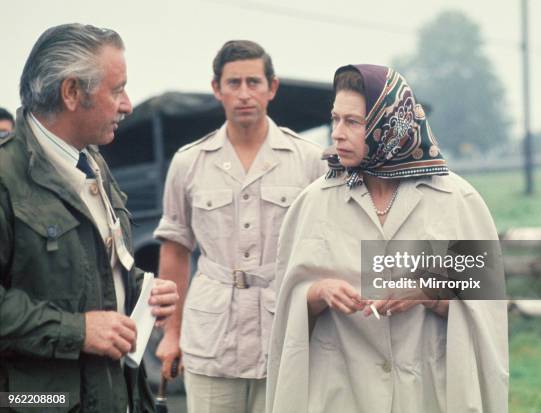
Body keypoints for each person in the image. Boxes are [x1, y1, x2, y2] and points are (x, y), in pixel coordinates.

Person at [266, 64, 509, 413]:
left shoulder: (457, 200)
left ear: (389, 124)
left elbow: (487, 309)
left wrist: (430, 292)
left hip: (428, 391)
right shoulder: (313, 203)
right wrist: (318, 293)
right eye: (335, 119)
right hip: (340, 392)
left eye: (353, 122)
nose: (337, 133)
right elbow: (286, 307)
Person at [0, 23, 179, 412]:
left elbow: (91, 266)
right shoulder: (4, 176)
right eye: (117, 90)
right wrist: (77, 331)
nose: (128, 104)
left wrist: (141, 289)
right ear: (71, 92)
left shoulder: (92, 163)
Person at [154, 40, 327, 413]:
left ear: (272, 88)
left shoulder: (309, 161)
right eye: (233, 83)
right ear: (217, 89)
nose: (244, 94)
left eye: (254, 82)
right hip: (213, 334)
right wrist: (172, 333)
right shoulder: (189, 163)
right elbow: (175, 249)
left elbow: (326, 245)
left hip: (284, 328)